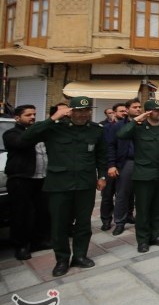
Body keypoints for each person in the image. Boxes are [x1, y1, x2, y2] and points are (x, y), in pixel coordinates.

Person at [23, 96, 107, 277]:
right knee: (59, 225)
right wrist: (53, 118)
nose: (84, 114)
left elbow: (101, 155)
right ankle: (62, 260)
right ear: (71, 112)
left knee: (83, 224)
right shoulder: (54, 128)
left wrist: (102, 176)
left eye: (87, 111)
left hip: (85, 183)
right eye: (80, 111)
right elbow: (27, 136)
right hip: (59, 185)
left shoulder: (95, 130)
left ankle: (80, 256)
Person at [116, 99, 159, 253]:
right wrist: (137, 119)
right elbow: (121, 134)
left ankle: (156, 235)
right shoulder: (139, 128)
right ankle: (143, 240)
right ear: (149, 112)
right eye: (157, 110)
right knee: (143, 209)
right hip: (144, 175)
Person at [3, 104, 51, 260]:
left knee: (42, 212)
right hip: (21, 179)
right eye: (28, 115)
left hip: (41, 178)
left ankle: (39, 241)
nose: (32, 117)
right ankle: (21, 246)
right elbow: (21, 143)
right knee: (21, 215)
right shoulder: (11, 134)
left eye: (34, 114)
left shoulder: (40, 134)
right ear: (17, 118)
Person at [105, 99, 142, 236]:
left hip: (143, 163)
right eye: (135, 107)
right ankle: (119, 222)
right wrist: (111, 165)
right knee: (122, 193)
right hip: (126, 162)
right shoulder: (118, 126)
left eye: (139, 107)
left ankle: (133, 216)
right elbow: (110, 146)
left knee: (141, 193)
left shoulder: (143, 124)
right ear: (127, 110)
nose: (138, 109)